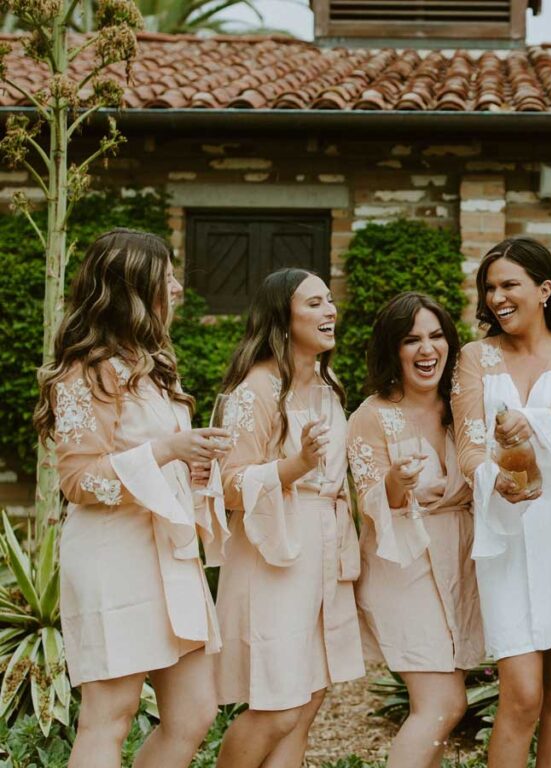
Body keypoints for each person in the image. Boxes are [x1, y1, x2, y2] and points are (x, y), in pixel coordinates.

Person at [34, 229, 229, 768]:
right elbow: (78, 479)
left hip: (167, 555)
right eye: (166, 276)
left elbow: (158, 462)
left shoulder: (153, 367)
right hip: (112, 556)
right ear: (134, 289)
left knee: (194, 713)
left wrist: (193, 464)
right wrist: (167, 448)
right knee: (110, 715)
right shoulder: (84, 372)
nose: (178, 286)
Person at [451, 237, 551, 768]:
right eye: (489, 287)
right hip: (508, 530)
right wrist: (493, 477)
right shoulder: (476, 357)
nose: (496, 297)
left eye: (509, 284)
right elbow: (469, 445)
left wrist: (530, 424)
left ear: (544, 289)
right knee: (522, 694)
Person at [213, 268, 364, 768]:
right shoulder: (254, 391)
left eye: (329, 301)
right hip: (273, 557)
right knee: (278, 706)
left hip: (323, 549)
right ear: (283, 317)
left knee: (310, 697)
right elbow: (230, 486)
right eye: (315, 303)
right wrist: (294, 466)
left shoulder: (328, 386)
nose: (330, 311)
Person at [348, 292, 484, 768]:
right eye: (411, 340)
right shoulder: (370, 416)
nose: (427, 350)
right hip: (402, 565)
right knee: (443, 704)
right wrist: (395, 483)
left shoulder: (463, 407)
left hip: (460, 560)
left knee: (442, 707)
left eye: (435, 336)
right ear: (393, 349)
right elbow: (368, 499)